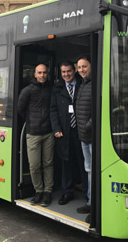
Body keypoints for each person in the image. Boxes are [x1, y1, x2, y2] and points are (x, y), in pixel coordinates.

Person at [50, 61, 88, 206]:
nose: (66, 74)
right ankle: (68, 192)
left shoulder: (82, 85)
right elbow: (53, 110)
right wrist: (56, 129)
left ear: (74, 71)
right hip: (64, 132)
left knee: (84, 163)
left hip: (81, 131)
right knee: (66, 163)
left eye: (69, 71)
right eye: (63, 72)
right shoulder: (57, 88)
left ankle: (87, 192)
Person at [17, 63, 54, 207]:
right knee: (34, 165)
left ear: (47, 73)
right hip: (33, 133)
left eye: (44, 72)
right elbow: (20, 109)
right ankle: (38, 190)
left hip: (49, 133)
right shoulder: (27, 90)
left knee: (48, 164)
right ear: (35, 74)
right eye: (40, 72)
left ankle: (48, 192)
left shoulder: (51, 89)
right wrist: (30, 120)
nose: (42, 75)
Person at [75, 55, 92, 223]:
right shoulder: (82, 84)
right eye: (79, 67)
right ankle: (89, 202)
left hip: (92, 137)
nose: (81, 70)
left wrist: (88, 125)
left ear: (91, 66)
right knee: (88, 171)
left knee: (93, 171)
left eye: (84, 66)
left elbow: (98, 109)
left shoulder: (94, 83)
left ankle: (94, 205)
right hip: (83, 137)